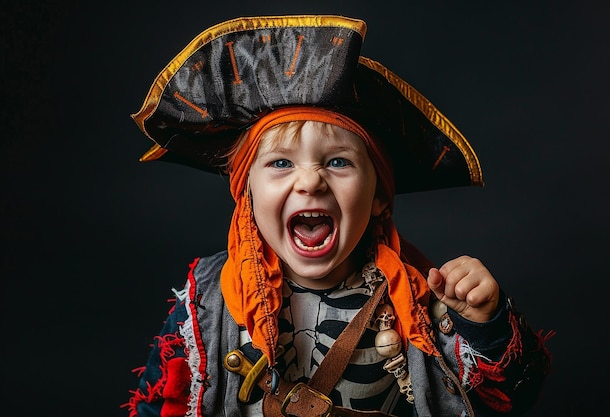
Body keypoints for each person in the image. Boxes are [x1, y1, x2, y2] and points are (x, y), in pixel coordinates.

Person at [123, 15, 553, 417]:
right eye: (280, 163)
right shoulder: (207, 301)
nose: (310, 182)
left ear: (380, 198)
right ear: (246, 193)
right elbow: (161, 402)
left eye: (338, 163)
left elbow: (513, 399)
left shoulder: (421, 305)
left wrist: (484, 323)